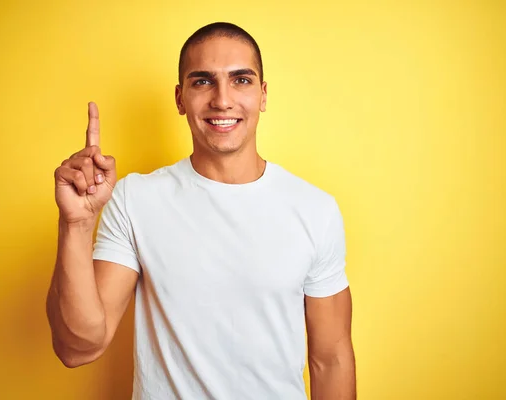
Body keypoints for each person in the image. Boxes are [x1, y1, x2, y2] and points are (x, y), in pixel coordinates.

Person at [46, 22, 356, 399]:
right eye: (203, 81)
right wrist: (76, 225)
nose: (222, 100)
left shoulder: (314, 209)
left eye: (240, 80)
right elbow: (78, 347)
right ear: (180, 98)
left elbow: (332, 359)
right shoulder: (135, 199)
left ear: (263, 94)